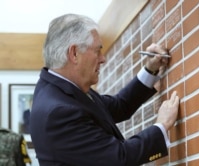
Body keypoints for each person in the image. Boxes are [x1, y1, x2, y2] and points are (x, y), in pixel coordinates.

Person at [30, 13, 179, 166]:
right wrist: (161, 126)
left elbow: (119, 106)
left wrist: (150, 69)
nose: (103, 59)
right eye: (97, 51)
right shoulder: (59, 111)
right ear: (74, 53)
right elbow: (117, 159)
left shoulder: (63, 89)